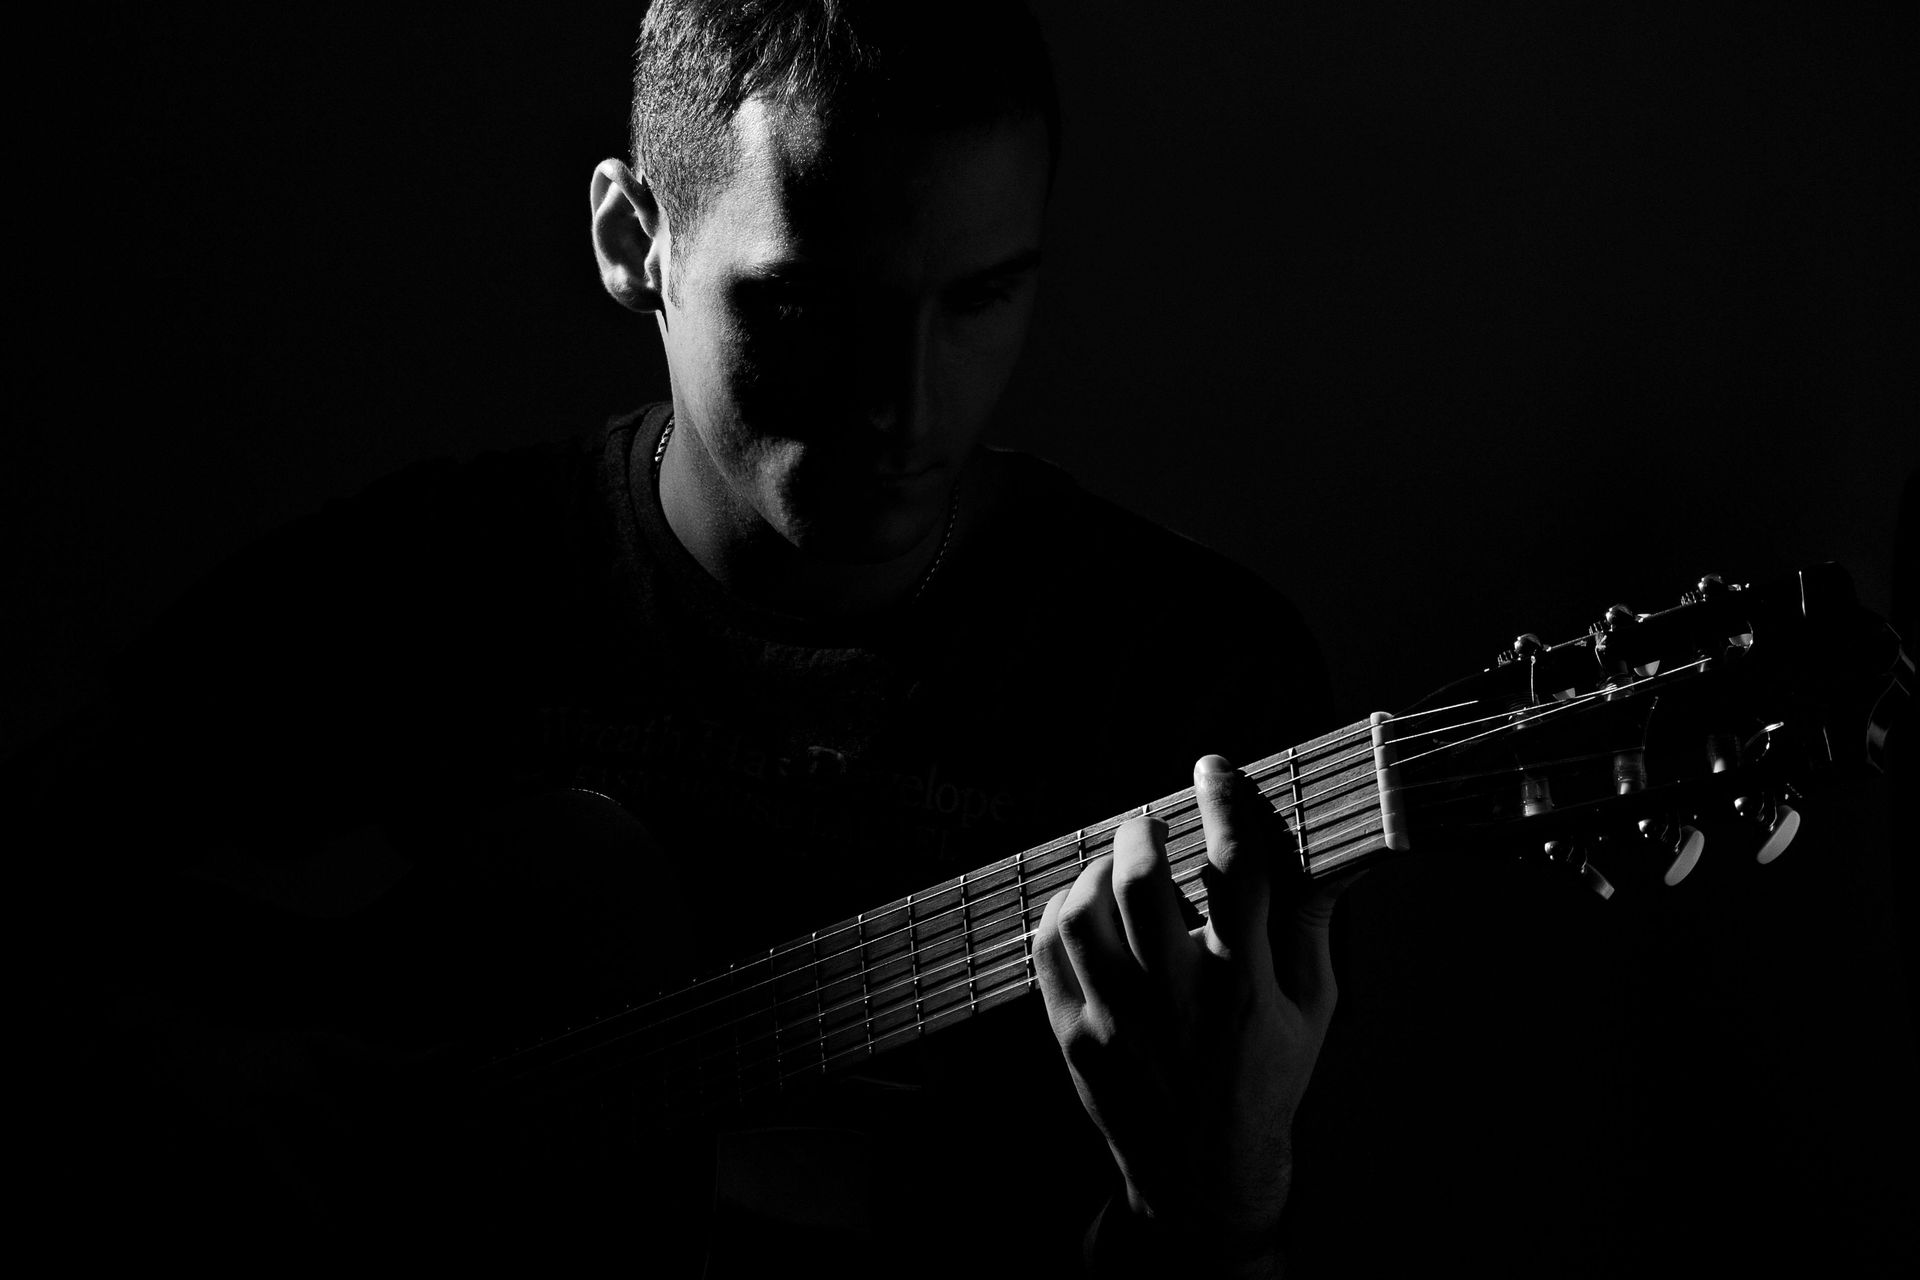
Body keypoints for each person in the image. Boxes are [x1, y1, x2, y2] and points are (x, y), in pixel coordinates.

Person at [25, 2, 1347, 1274]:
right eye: (809, 307)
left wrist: (1217, 1216)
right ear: (631, 238)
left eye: (980, 299)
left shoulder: (1188, 692)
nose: (902, 404)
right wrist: (162, 1060)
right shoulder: (443, 580)